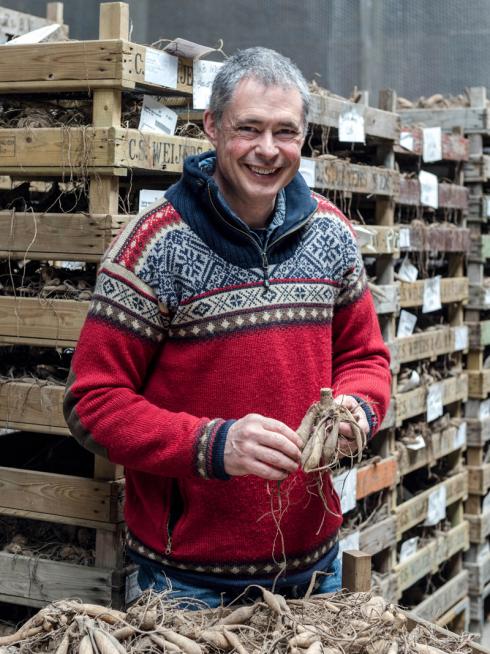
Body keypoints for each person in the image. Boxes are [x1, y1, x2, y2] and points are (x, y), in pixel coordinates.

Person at [63, 47, 391, 607]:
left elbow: (366, 359)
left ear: (304, 137)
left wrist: (357, 411)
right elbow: (92, 405)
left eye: (285, 132)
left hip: (315, 572)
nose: (268, 150)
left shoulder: (332, 235)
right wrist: (214, 445)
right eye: (249, 129)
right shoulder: (155, 247)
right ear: (212, 127)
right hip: (187, 583)